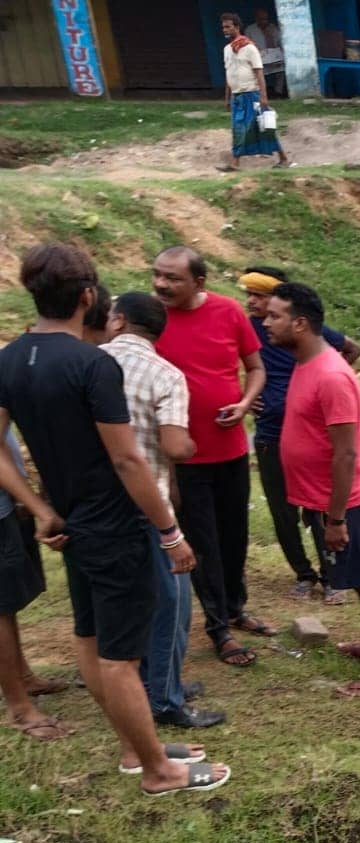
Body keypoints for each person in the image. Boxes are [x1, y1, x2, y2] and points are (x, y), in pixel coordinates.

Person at [0, 244, 228, 795]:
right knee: (122, 656)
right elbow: (127, 460)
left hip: (70, 522)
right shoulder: (93, 364)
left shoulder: (9, 358)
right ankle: (157, 771)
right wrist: (170, 532)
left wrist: (41, 510)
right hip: (115, 525)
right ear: (87, 297)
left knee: (90, 635)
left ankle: (136, 747)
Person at [264, 283, 360, 700]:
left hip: (339, 502)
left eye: (275, 316)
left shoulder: (331, 375)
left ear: (300, 324)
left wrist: (336, 518)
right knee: (358, 579)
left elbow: (346, 453)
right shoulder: (306, 362)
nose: (266, 323)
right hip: (320, 498)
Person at [101, 292, 224, 731]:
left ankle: (153, 681)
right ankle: (164, 699)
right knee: (172, 602)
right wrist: (188, 445)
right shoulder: (166, 374)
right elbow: (174, 446)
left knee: (127, 600)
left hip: (99, 504)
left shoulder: (90, 362)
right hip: (148, 505)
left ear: (118, 321)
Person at [152, 246, 275, 669]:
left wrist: (244, 403)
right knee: (202, 543)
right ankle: (218, 628)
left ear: (199, 282)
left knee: (234, 536)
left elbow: (256, 368)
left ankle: (236, 608)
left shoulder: (228, 312)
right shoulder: (150, 319)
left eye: (172, 278)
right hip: (183, 457)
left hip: (231, 450)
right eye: (157, 275)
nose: (161, 284)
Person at [239, 267, 360, 604]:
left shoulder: (303, 333)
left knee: (318, 508)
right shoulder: (249, 328)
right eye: (249, 295)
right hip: (270, 433)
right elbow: (234, 365)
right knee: (282, 512)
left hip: (309, 437)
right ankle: (303, 574)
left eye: (260, 296)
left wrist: (323, 387)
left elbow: (351, 349)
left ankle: (331, 575)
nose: (253, 303)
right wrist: (246, 397)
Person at [0, 428, 69, 742]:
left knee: (9, 600)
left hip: (7, 499)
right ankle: (18, 706)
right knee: (1, 606)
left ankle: (23, 677)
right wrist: (37, 505)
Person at [220, 12, 288, 171]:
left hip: (251, 94)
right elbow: (229, 74)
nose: (225, 30)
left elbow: (259, 72)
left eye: (228, 27)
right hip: (237, 96)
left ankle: (283, 158)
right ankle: (235, 163)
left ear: (237, 27)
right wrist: (227, 98)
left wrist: (263, 97)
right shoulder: (227, 49)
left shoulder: (249, 48)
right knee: (238, 128)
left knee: (264, 127)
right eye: (223, 27)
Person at [245, 7, 286, 97]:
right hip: (259, 56)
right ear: (256, 19)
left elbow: (280, 42)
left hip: (274, 55)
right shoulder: (250, 29)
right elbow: (247, 44)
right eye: (261, 19)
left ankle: (278, 92)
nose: (264, 21)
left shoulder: (273, 28)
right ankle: (262, 93)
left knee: (281, 70)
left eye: (265, 19)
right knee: (258, 73)